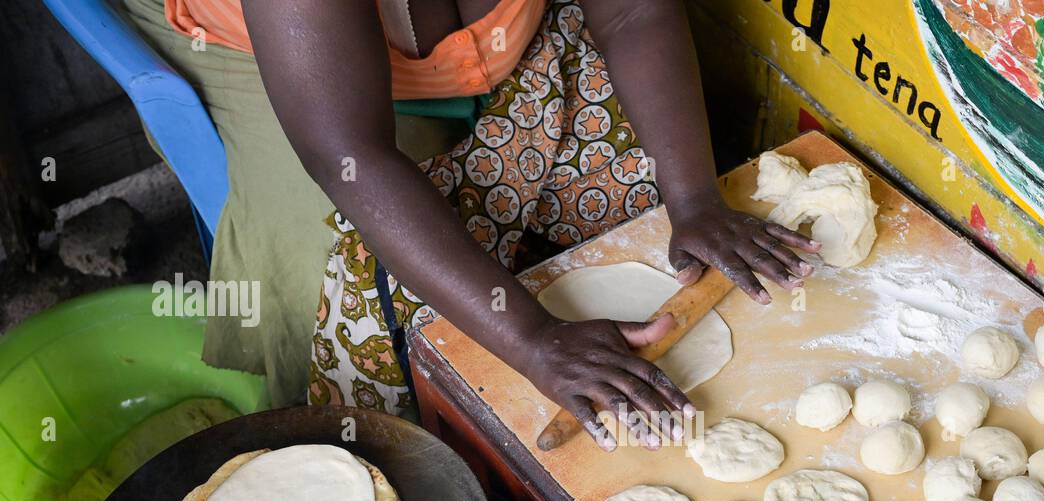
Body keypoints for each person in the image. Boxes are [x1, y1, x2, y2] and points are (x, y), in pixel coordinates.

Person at [124, 0, 818, 447]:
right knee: (345, 269)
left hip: (472, 44)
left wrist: (694, 199)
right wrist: (534, 338)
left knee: (638, 185)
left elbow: (634, 14)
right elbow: (348, 155)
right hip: (271, 43)